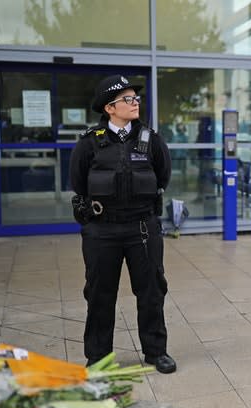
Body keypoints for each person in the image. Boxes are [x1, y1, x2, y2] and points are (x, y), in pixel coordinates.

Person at [69, 74, 176, 374]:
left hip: (142, 228)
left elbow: (163, 176)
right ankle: (98, 357)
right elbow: (78, 182)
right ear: (109, 108)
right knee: (100, 294)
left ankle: (156, 352)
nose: (135, 103)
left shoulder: (151, 140)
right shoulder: (89, 143)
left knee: (152, 291)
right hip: (102, 230)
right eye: (128, 99)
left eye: (136, 98)